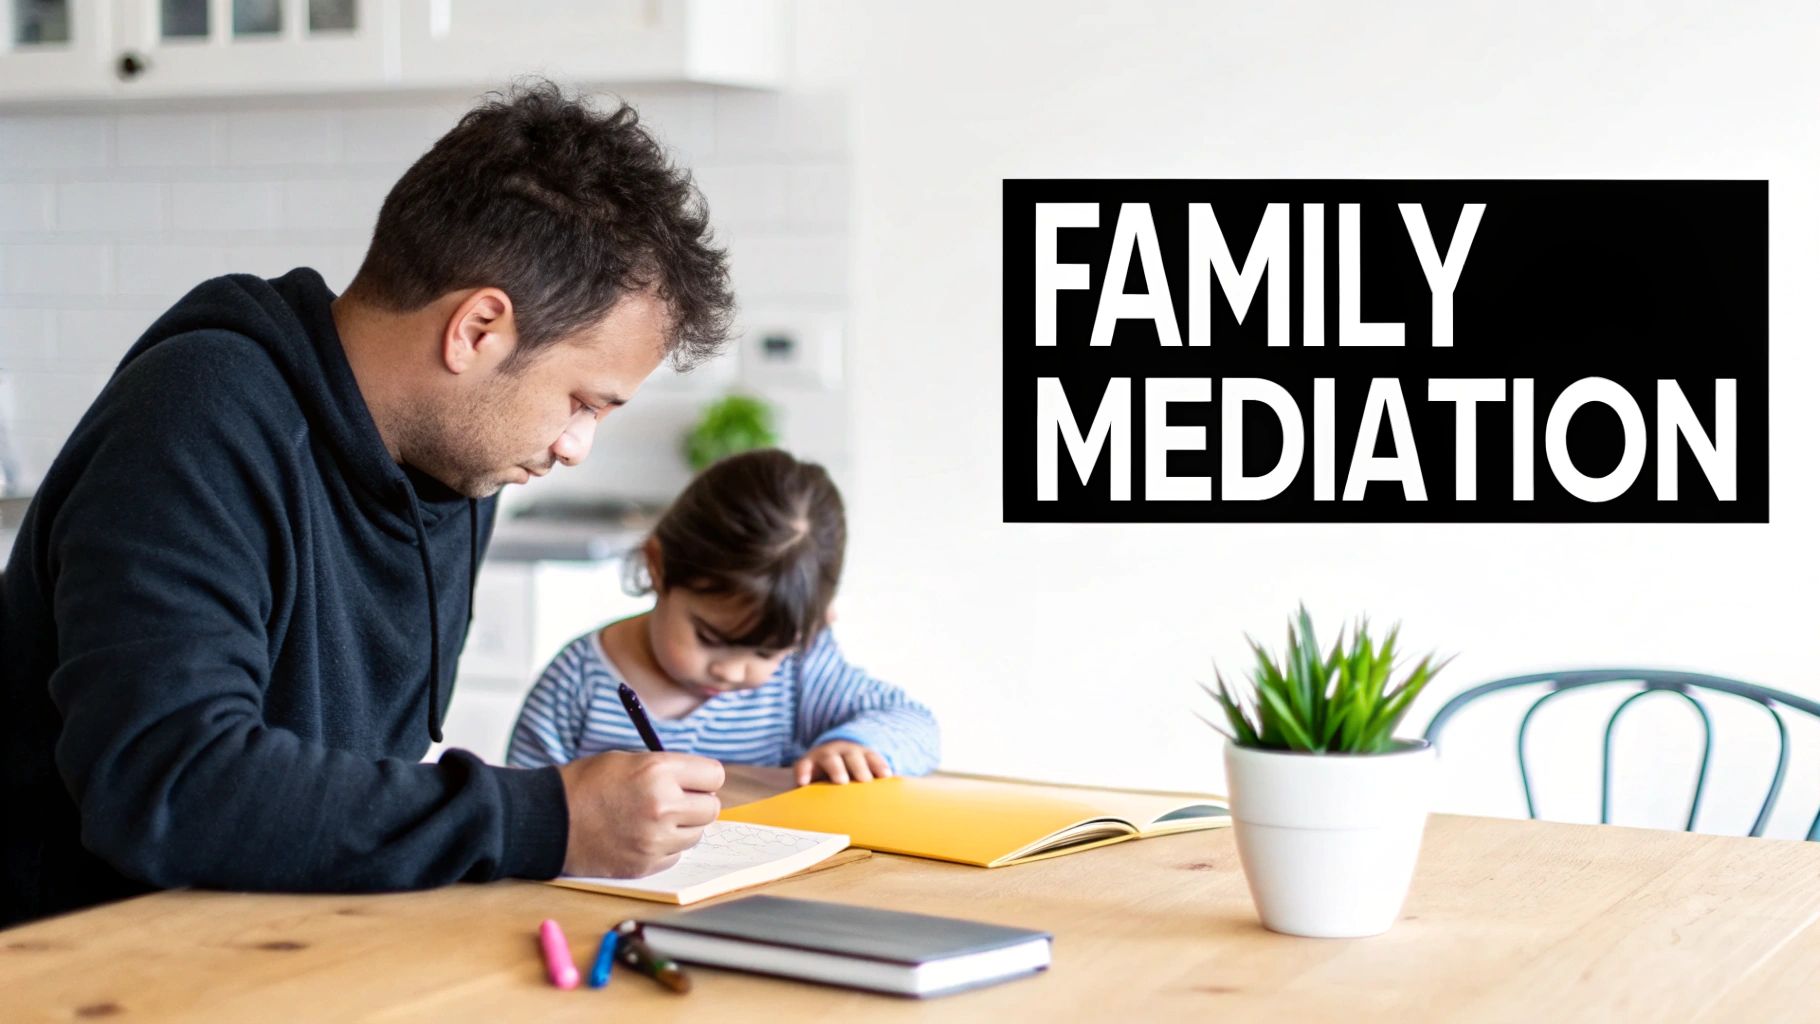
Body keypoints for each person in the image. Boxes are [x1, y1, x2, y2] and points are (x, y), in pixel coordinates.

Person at [0, 81, 736, 928]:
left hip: (287, 940)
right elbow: (171, 784)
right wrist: (547, 817)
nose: (576, 447)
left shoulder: (459, 463)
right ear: (476, 330)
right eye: (582, 402)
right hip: (80, 961)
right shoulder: (196, 417)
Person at [507, 448, 940, 786]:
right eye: (711, 638)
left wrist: (853, 746)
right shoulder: (575, 686)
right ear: (659, 567)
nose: (732, 671)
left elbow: (915, 725)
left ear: (812, 627)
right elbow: (524, 815)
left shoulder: (801, 670)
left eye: (765, 652)